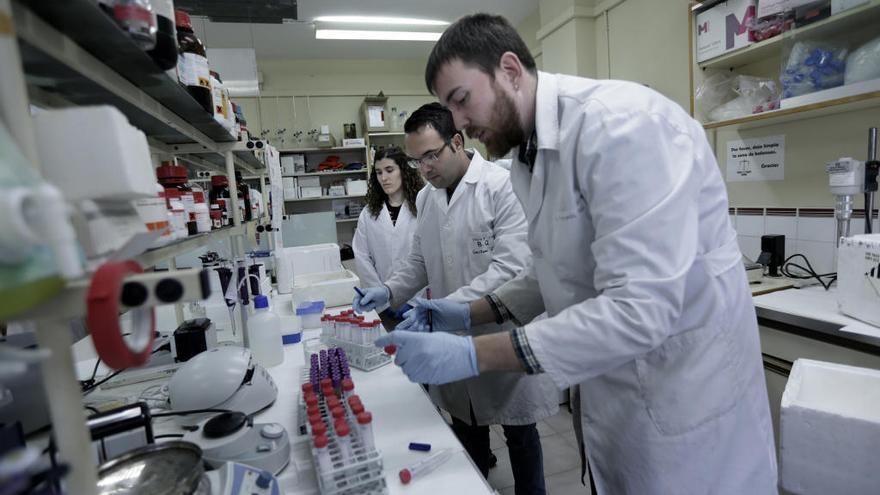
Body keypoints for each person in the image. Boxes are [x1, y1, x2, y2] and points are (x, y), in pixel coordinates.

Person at [376, 13, 779, 495]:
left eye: (461, 100)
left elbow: (639, 309)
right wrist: (465, 313)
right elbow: (551, 273)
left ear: (509, 70)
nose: (458, 123)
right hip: (616, 399)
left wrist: (473, 353)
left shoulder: (622, 127)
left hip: (688, 407)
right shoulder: (531, 157)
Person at [354, 102, 558, 494]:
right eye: (416, 161)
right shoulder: (429, 199)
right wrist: (390, 290)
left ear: (457, 141)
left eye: (431, 155)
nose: (425, 168)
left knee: (521, 435)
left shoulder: (501, 187)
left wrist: (446, 311)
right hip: (452, 338)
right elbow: (418, 260)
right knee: (467, 430)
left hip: (503, 332)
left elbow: (509, 270)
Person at [352, 147, 423, 318]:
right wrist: (382, 297)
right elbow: (362, 257)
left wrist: (415, 301)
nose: (384, 178)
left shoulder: (422, 206)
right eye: (378, 172)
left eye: (389, 170)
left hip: (419, 301)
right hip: (382, 303)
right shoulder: (369, 213)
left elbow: (429, 258)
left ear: (404, 170)